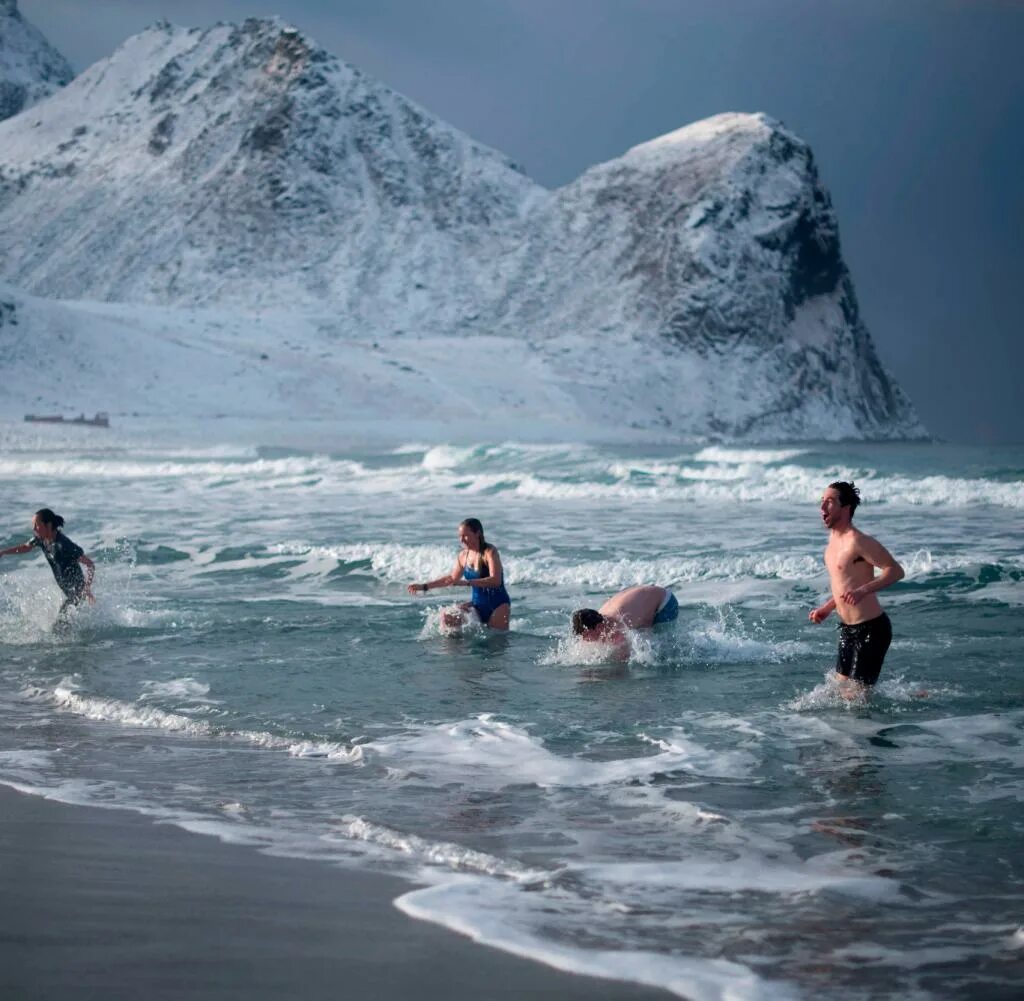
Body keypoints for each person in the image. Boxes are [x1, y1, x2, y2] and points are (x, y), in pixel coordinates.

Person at [808, 481, 904, 696]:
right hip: (847, 630)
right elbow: (845, 585)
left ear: (846, 508)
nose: (822, 508)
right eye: (821, 502)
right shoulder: (832, 543)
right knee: (840, 692)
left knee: (854, 699)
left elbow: (895, 570)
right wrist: (827, 607)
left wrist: (863, 590)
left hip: (872, 630)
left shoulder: (859, 542)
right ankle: (912, 696)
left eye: (829, 502)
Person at [407, 518, 511, 631]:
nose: (461, 540)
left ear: (477, 533)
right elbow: (452, 578)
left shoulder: (489, 552)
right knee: (448, 617)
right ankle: (453, 647)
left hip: (498, 606)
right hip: (477, 605)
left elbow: (496, 581)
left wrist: (467, 583)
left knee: (494, 642)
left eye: (465, 535)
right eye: (460, 536)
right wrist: (424, 586)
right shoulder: (462, 556)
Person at [0, 508, 96, 624]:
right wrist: (3, 552)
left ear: (49, 525)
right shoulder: (41, 540)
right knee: (63, 627)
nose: (34, 529)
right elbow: (26, 547)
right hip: (69, 593)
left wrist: (87, 588)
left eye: (37, 525)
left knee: (59, 626)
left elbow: (90, 564)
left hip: (77, 593)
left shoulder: (64, 544)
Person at [571, 585, 678, 657]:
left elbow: (624, 659)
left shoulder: (619, 622)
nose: (585, 640)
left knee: (658, 649)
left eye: (586, 635)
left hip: (665, 602)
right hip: (648, 598)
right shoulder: (600, 618)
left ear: (598, 627)